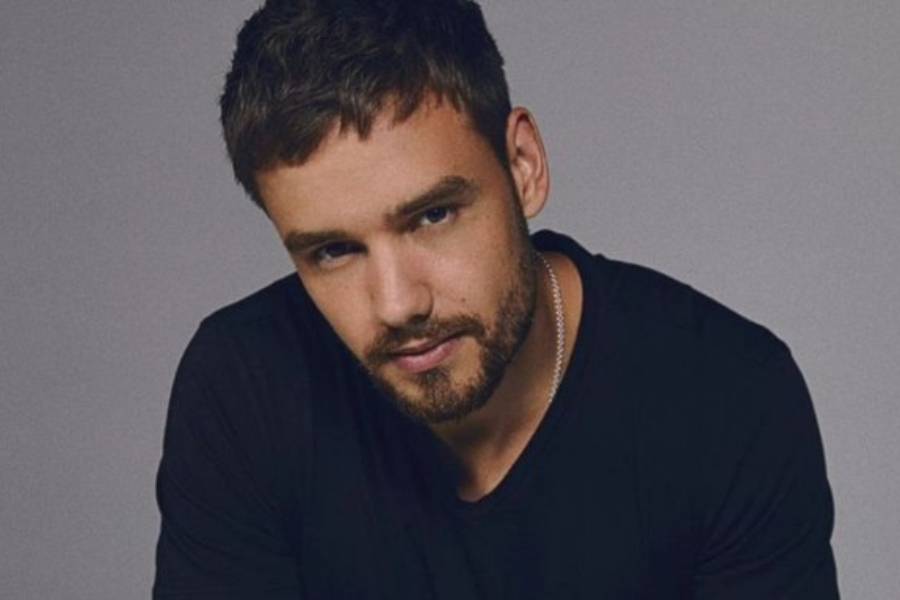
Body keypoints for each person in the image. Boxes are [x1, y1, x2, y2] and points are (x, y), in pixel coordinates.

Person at [153, 1, 839, 598]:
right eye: (333, 251)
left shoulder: (725, 397)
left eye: (433, 216)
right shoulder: (245, 388)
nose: (397, 304)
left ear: (523, 166)